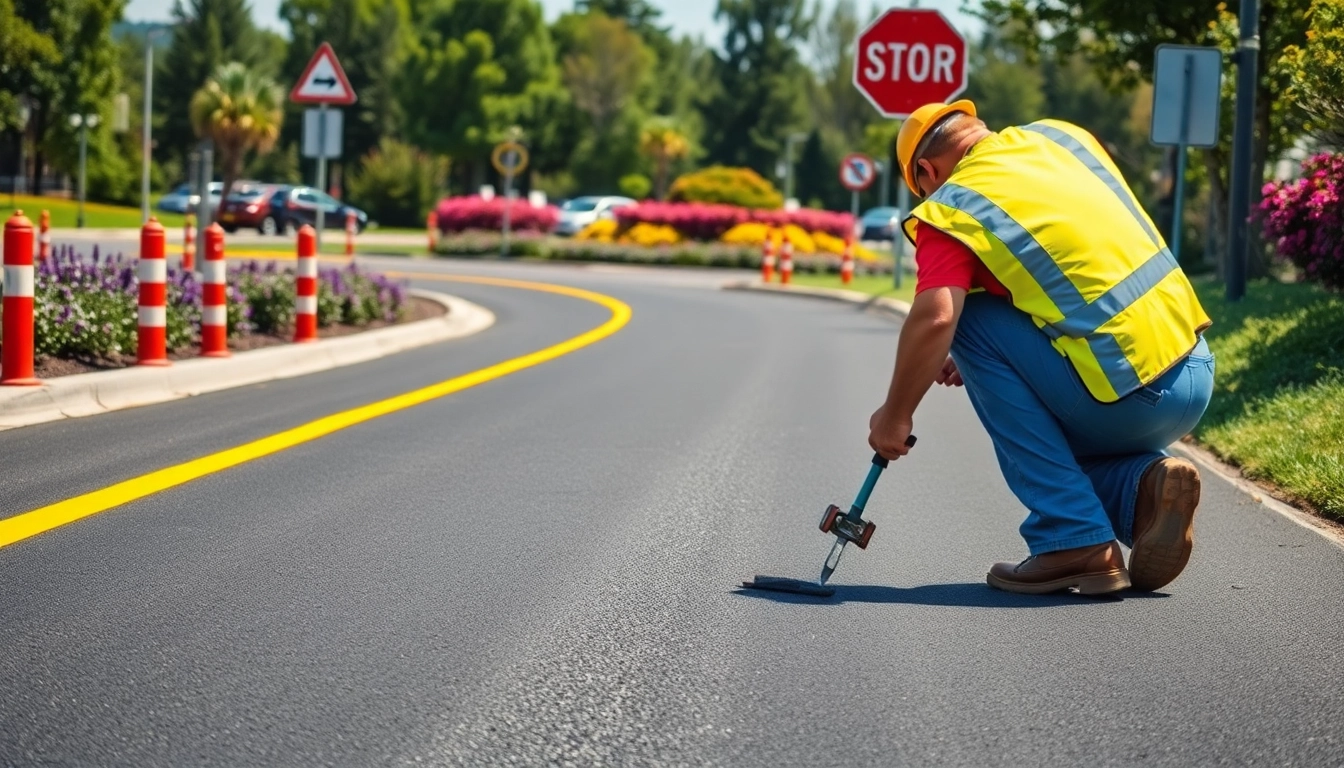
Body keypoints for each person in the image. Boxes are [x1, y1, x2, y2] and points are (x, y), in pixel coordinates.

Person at [867, 100, 1216, 595]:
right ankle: (1143, 486)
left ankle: (1073, 538)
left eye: (921, 186)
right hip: (1194, 369)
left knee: (968, 323)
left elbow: (938, 317)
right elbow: (1070, 266)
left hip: (1126, 396)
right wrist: (1014, 355)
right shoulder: (1060, 138)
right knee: (1041, 425)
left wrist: (895, 416)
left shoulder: (952, 206)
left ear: (926, 170)